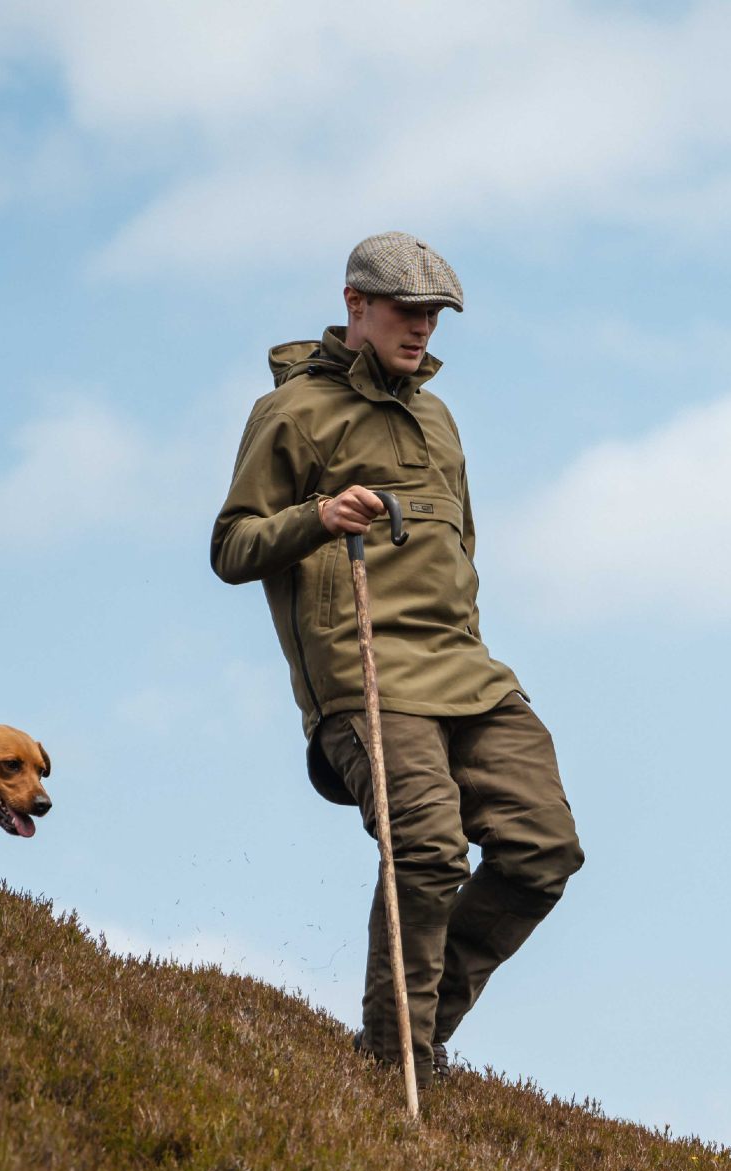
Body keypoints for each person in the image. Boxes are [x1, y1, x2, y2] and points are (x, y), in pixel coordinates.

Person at [211, 231, 584, 1088]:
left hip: (468, 671)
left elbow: (464, 548)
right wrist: (317, 519)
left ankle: (418, 1026)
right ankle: (395, 1059)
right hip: (365, 671)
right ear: (356, 306)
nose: (422, 330)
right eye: (406, 312)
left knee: (543, 849)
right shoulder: (292, 413)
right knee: (426, 848)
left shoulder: (438, 417)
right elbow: (232, 547)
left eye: (434, 316)